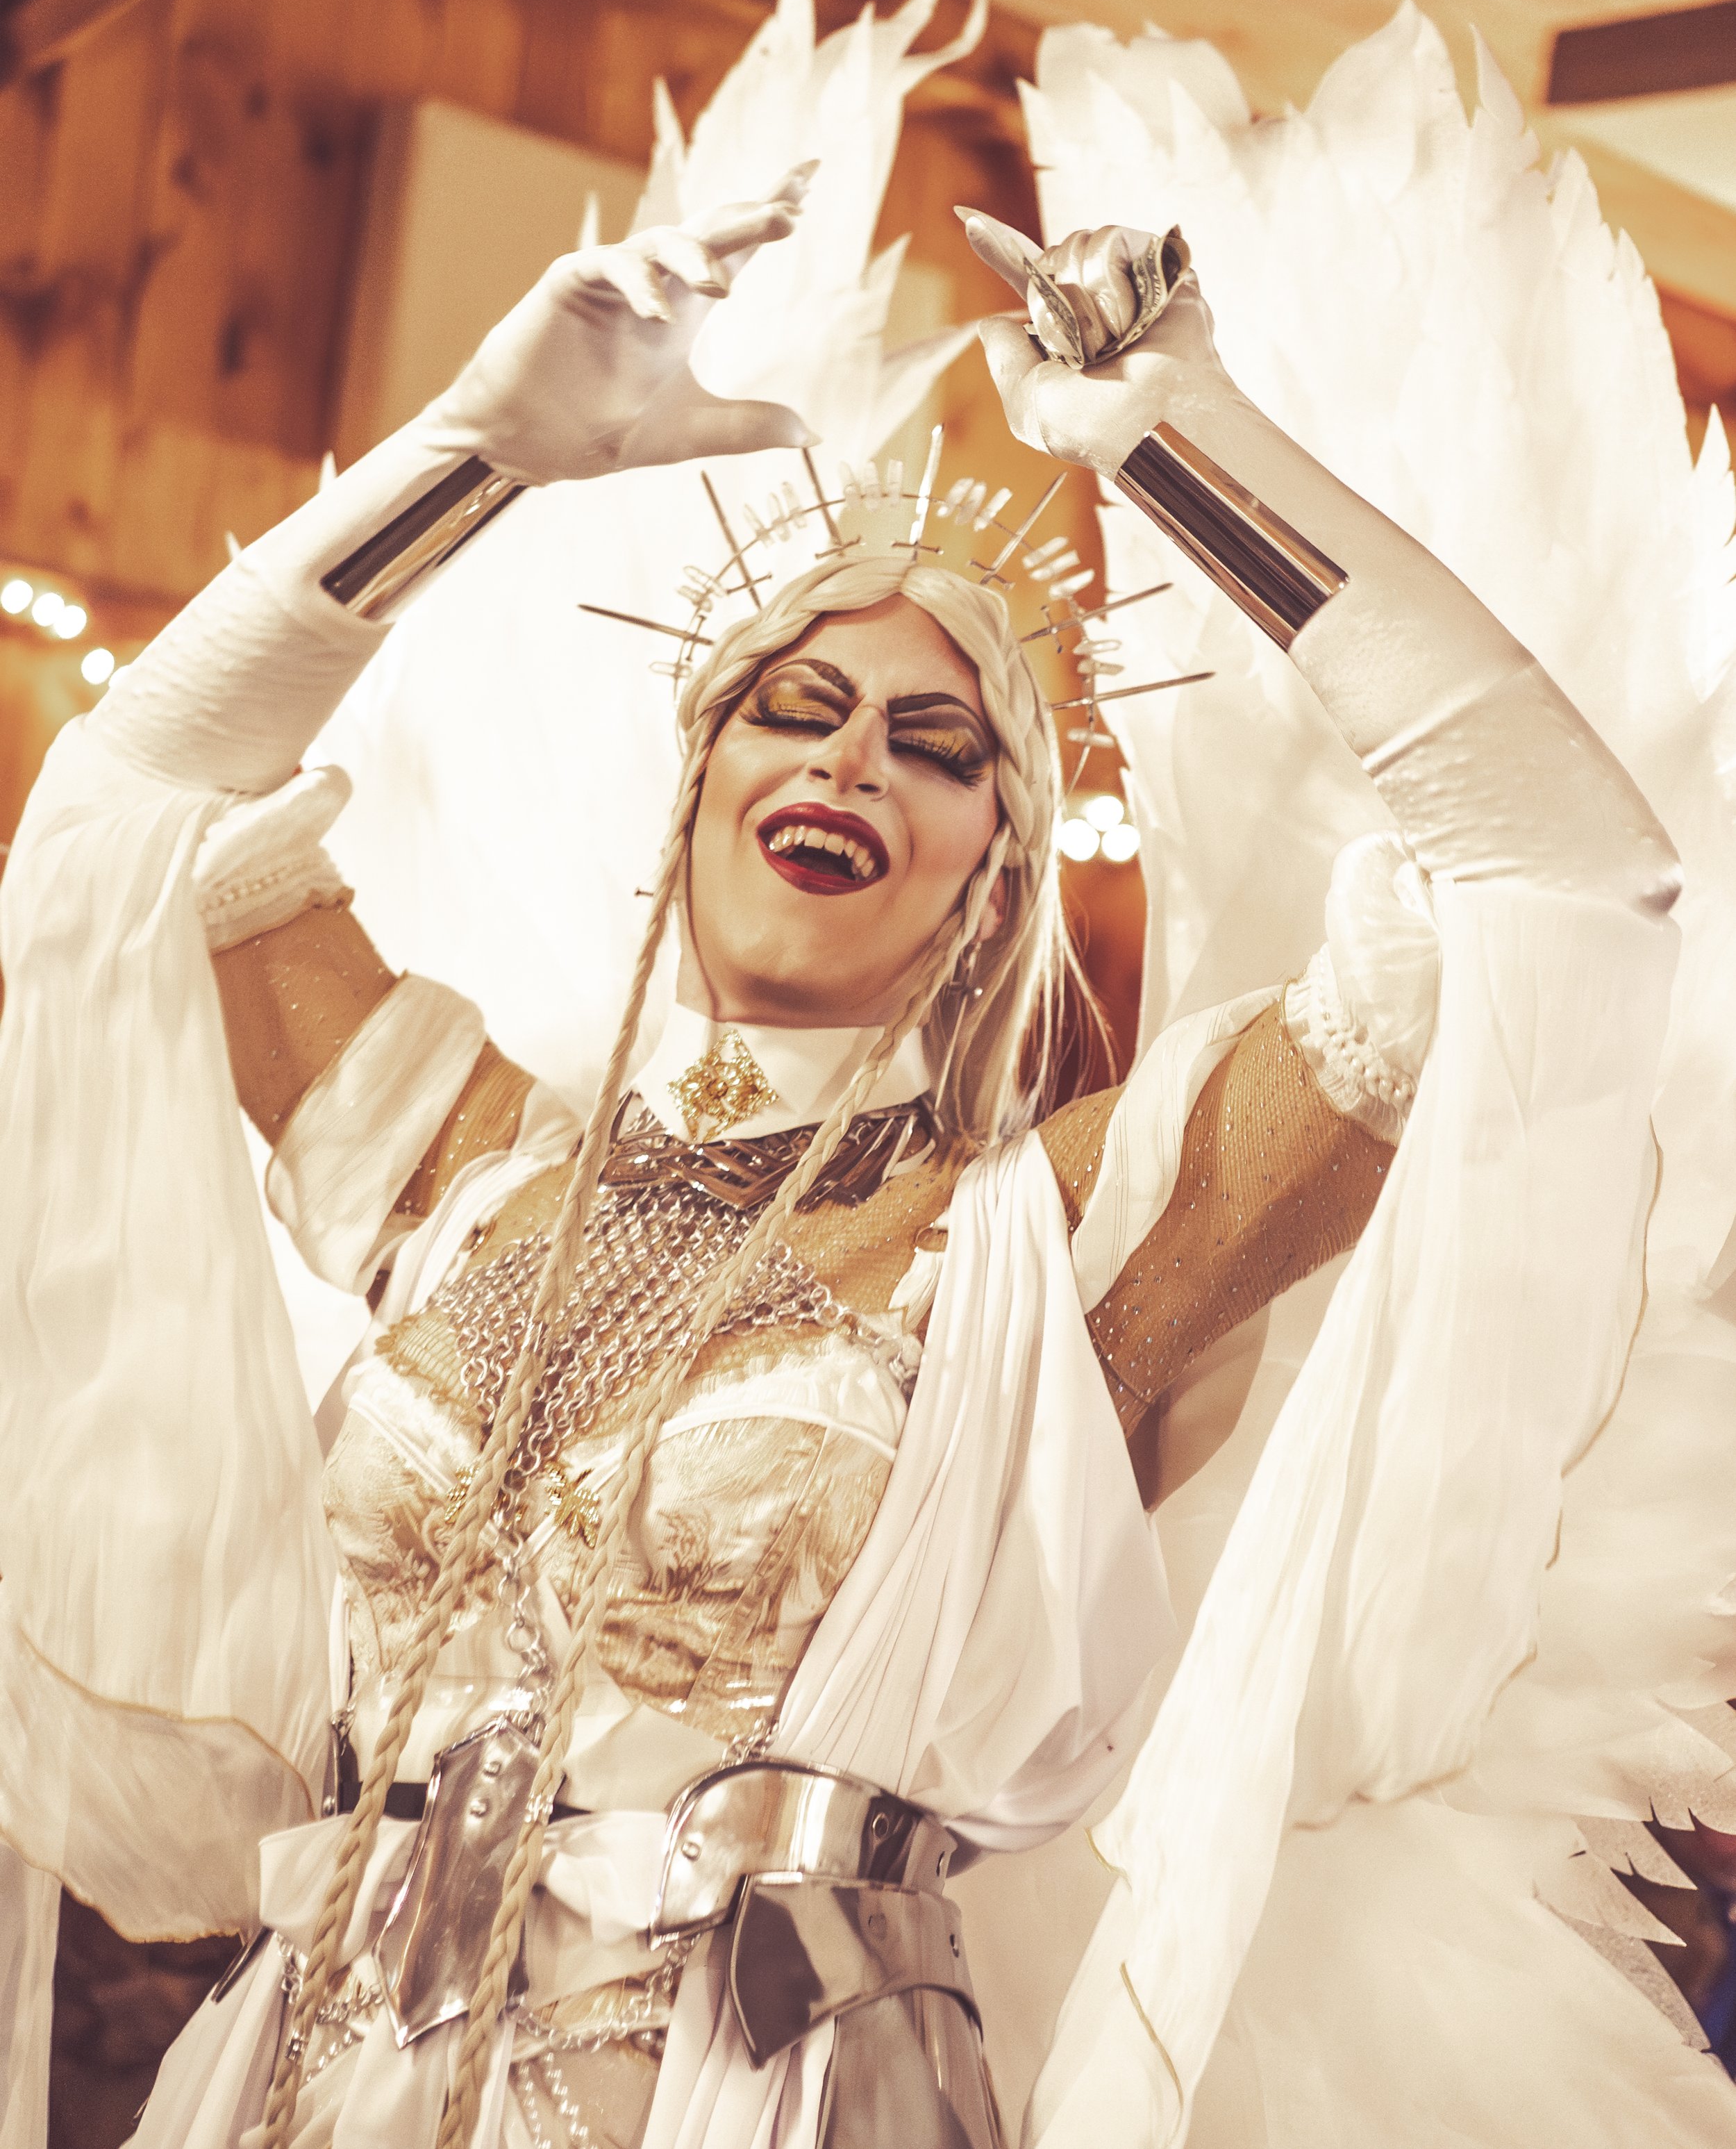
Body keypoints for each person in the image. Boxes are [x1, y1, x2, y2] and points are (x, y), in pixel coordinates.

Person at [0, 179, 1686, 2149]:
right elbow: (127, 808)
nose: (846, 762)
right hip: (306, 2079)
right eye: (791, 711)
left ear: (994, 876)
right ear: (697, 782)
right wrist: (473, 459)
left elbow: (1560, 873)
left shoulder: (1050, 1239)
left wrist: (1182, 439)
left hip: (773, 2094)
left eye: (932, 742)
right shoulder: (446, 1159)